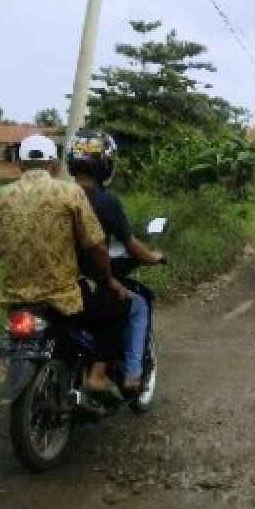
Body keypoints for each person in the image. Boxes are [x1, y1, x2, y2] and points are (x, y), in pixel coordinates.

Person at [0, 134, 126, 401]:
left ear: (19, 164)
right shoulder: (69, 193)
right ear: (53, 164)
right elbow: (96, 245)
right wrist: (108, 281)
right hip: (61, 296)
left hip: (14, 298)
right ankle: (96, 376)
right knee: (118, 305)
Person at [66, 129, 165, 394]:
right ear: (106, 163)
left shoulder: (59, 195)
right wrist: (152, 257)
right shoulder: (105, 200)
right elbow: (128, 244)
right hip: (87, 281)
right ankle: (128, 375)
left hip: (53, 280)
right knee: (132, 304)